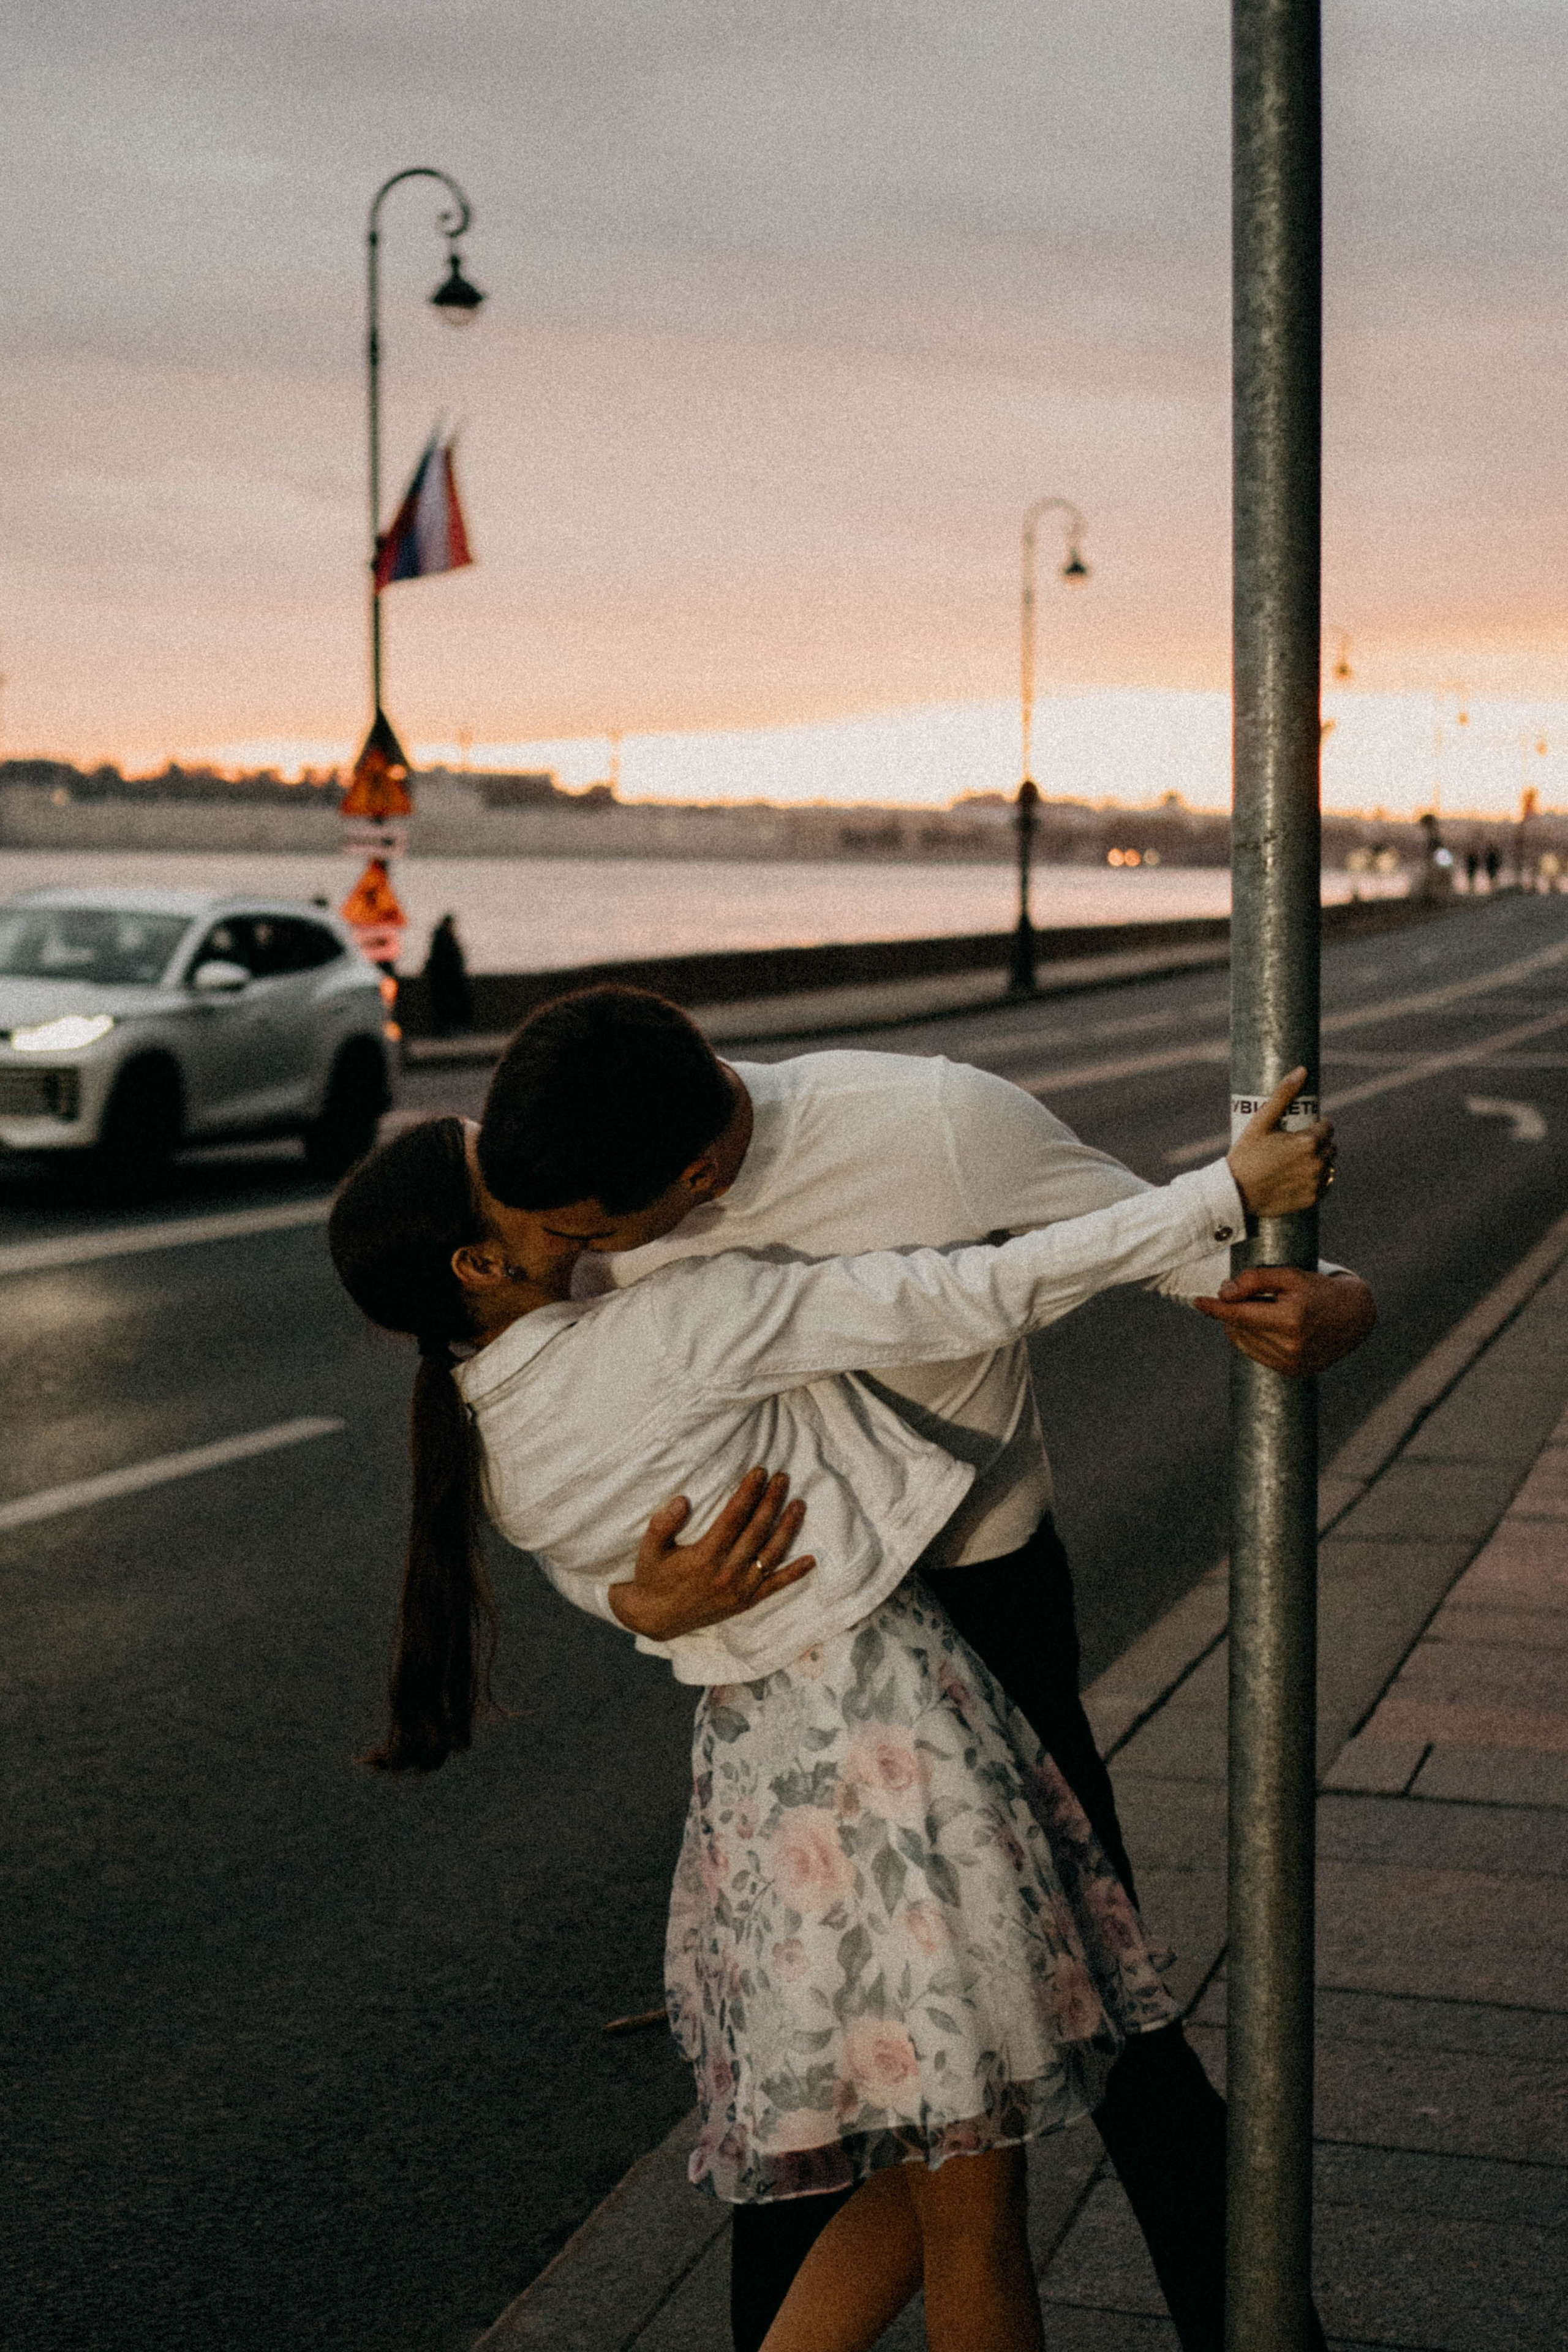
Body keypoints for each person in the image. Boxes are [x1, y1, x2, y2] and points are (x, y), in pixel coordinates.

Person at [327, 1084, 1332, 2352]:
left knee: (914, 2190)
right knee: (974, 2211)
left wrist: (640, 1605)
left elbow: (601, 1557)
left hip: (765, 1789)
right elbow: (968, 1294)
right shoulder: (668, 1328)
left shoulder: (489, 1433)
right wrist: (1223, 1195)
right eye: (499, 1171)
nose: (532, 1162)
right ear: (484, 1257)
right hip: (895, 1758)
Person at [423, 911, 475, 1036]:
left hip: (445, 980)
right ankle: (453, 1029)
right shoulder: (445, 940)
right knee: (452, 1006)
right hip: (449, 980)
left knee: (447, 1007)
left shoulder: (441, 939)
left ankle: (449, 1029)